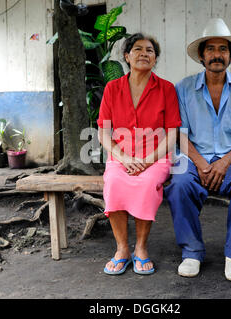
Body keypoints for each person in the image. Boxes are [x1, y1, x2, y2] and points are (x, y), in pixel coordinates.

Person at [164, 18, 231, 281]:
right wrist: (201, 163)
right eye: (210, 49)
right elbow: (180, 134)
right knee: (178, 184)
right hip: (192, 155)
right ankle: (191, 252)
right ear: (201, 56)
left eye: (223, 49)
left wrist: (225, 161)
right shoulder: (184, 88)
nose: (216, 55)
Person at [97, 33, 181, 275]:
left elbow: (173, 134)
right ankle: (122, 249)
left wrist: (147, 161)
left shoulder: (166, 88)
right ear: (127, 56)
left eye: (150, 50)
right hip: (120, 156)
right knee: (113, 183)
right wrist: (122, 157)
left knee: (146, 184)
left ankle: (141, 248)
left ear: (155, 59)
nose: (144, 53)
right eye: (137, 49)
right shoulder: (113, 88)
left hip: (156, 156)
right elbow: (103, 133)